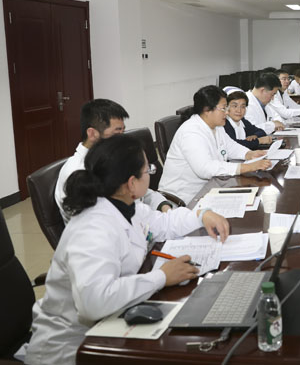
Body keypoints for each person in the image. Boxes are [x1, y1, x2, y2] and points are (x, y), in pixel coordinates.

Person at [25, 135, 230, 364]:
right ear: (131, 183)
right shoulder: (92, 227)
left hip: (111, 323)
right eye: (147, 170)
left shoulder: (125, 205)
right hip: (73, 347)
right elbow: (94, 302)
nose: (150, 174)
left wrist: (202, 215)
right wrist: (162, 276)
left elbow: (163, 223)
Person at [55, 99, 170, 223]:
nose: (122, 139)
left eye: (123, 131)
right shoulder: (76, 172)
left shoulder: (113, 157)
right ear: (92, 134)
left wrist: (162, 205)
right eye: (117, 132)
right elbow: (96, 222)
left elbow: (139, 191)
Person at [159, 85, 270, 203]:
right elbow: (205, 169)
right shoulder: (191, 132)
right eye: (223, 108)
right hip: (185, 198)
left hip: (210, 188)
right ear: (207, 110)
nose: (227, 112)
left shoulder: (216, 126)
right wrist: (248, 167)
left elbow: (230, 146)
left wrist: (249, 154)